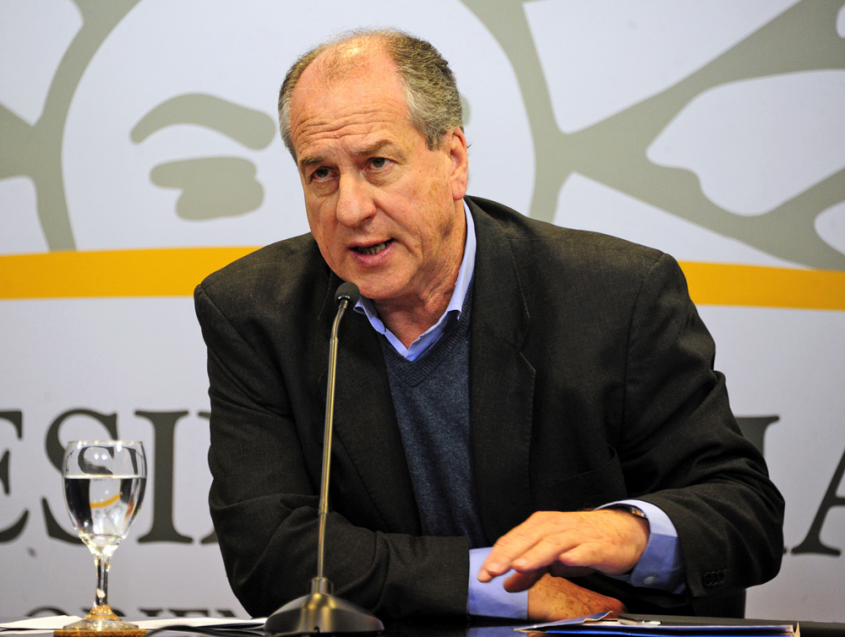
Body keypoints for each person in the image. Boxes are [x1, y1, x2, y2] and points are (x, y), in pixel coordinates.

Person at [194, 29, 784, 622]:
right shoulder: (256, 311)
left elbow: (743, 513)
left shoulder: (617, 294)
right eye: (321, 173)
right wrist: (502, 589)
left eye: (377, 163)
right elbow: (269, 554)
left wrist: (628, 530)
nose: (351, 208)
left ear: (453, 160)